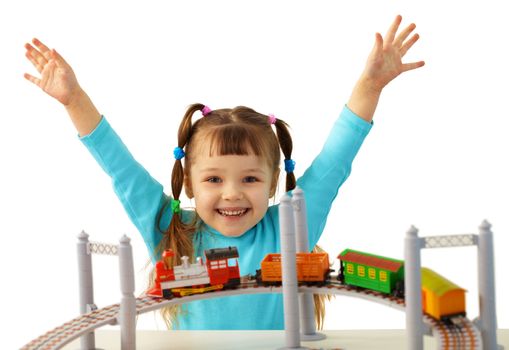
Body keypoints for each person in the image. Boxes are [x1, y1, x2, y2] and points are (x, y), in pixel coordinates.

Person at [24, 15, 424, 330]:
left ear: (273, 184)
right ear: (191, 185)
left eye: (249, 179)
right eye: (214, 179)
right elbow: (121, 169)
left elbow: (334, 164)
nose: (232, 193)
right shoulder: (171, 229)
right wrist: (74, 100)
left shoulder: (291, 223)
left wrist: (370, 86)